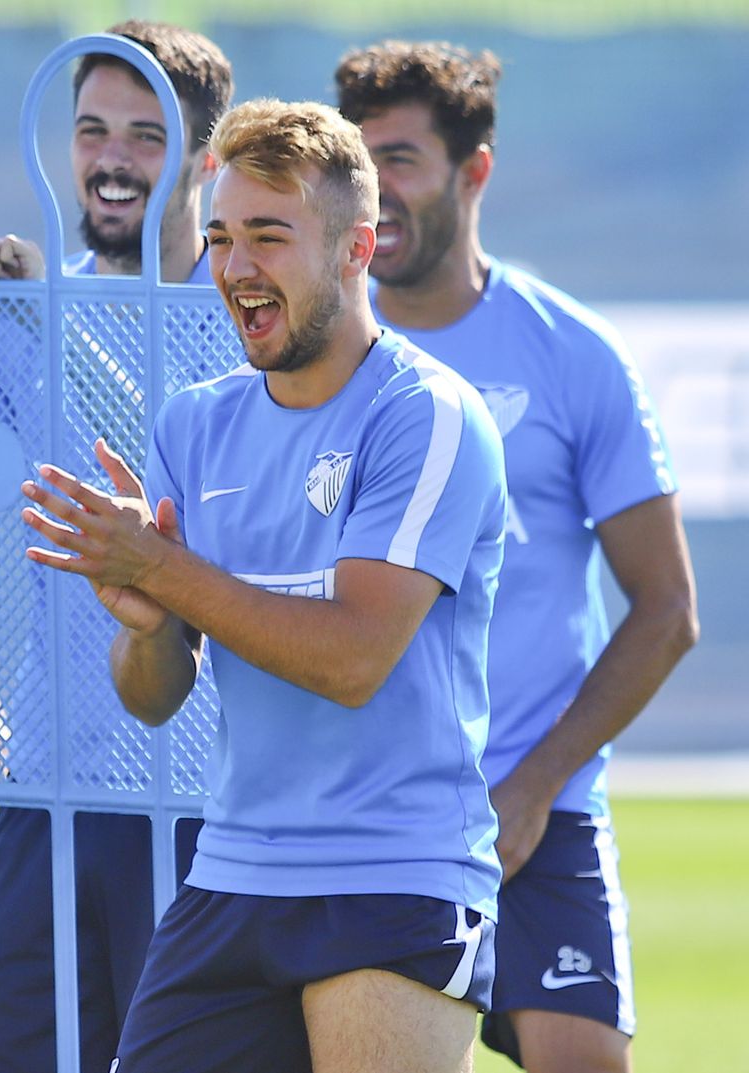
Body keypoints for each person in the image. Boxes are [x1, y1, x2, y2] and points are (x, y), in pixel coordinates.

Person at [21, 98, 508, 1073]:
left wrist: (163, 567)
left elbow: (351, 656)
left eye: (268, 237)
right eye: (220, 237)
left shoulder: (428, 416)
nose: (235, 268)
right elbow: (151, 697)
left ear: (355, 248)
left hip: (392, 876)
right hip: (230, 874)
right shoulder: (191, 425)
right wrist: (147, 621)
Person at [0, 20, 233, 1073]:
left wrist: (47, 320)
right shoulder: (17, 309)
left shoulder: (253, 312)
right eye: (92, 130)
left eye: (147, 135)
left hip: (211, 803)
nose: (113, 158)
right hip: (49, 792)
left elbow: (184, 510)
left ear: (204, 162)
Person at [335, 41, 699, 1073]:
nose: (378, 193)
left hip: (537, 816)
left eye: (400, 159)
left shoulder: (572, 352)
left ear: (473, 171)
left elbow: (666, 608)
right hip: (362, 815)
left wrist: (534, 786)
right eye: (359, 167)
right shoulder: (312, 360)